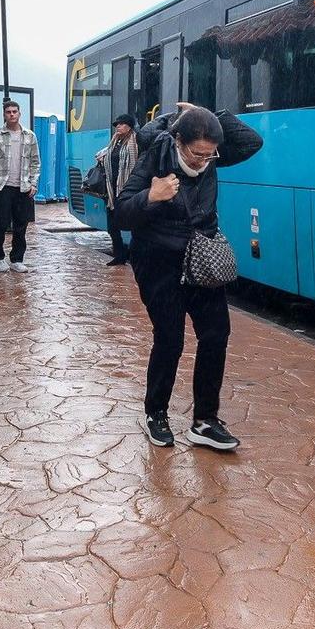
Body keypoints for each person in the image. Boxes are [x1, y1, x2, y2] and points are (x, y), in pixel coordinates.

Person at [112, 102, 263, 451]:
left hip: (200, 259)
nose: (203, 162)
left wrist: (211, 113)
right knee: (170, 339)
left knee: (216, 334)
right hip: (159, 262)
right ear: (179, 141)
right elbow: (121, 213)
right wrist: (152, 195)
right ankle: (156, 413)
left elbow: (252, 142)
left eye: (210, 156)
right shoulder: (155, 155)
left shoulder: (209, 155)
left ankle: (205, 421)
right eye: (197, 154)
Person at [0, 99, 40, 271]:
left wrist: (33, 183)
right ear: (4, 115)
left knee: (21, 225)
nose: (12, 114)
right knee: (0, 223)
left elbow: (36, 161)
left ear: (19, 114)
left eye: (15, 111)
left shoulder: (30, 136)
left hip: (23, 186)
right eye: (9, 112)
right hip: (3, 186)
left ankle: (17, 259)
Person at [99, 114, 140, 266]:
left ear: (129, 126)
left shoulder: (135, 141)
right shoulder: (115, 141)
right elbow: (108, 155)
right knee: (112, 226)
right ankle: (120, 254)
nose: (118, 126)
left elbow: (136, 162)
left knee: (135, 224)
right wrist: (103, 157)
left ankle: (136, 254)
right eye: (117, 124)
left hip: (128, 188)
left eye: (121, 124)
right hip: (112, 189)